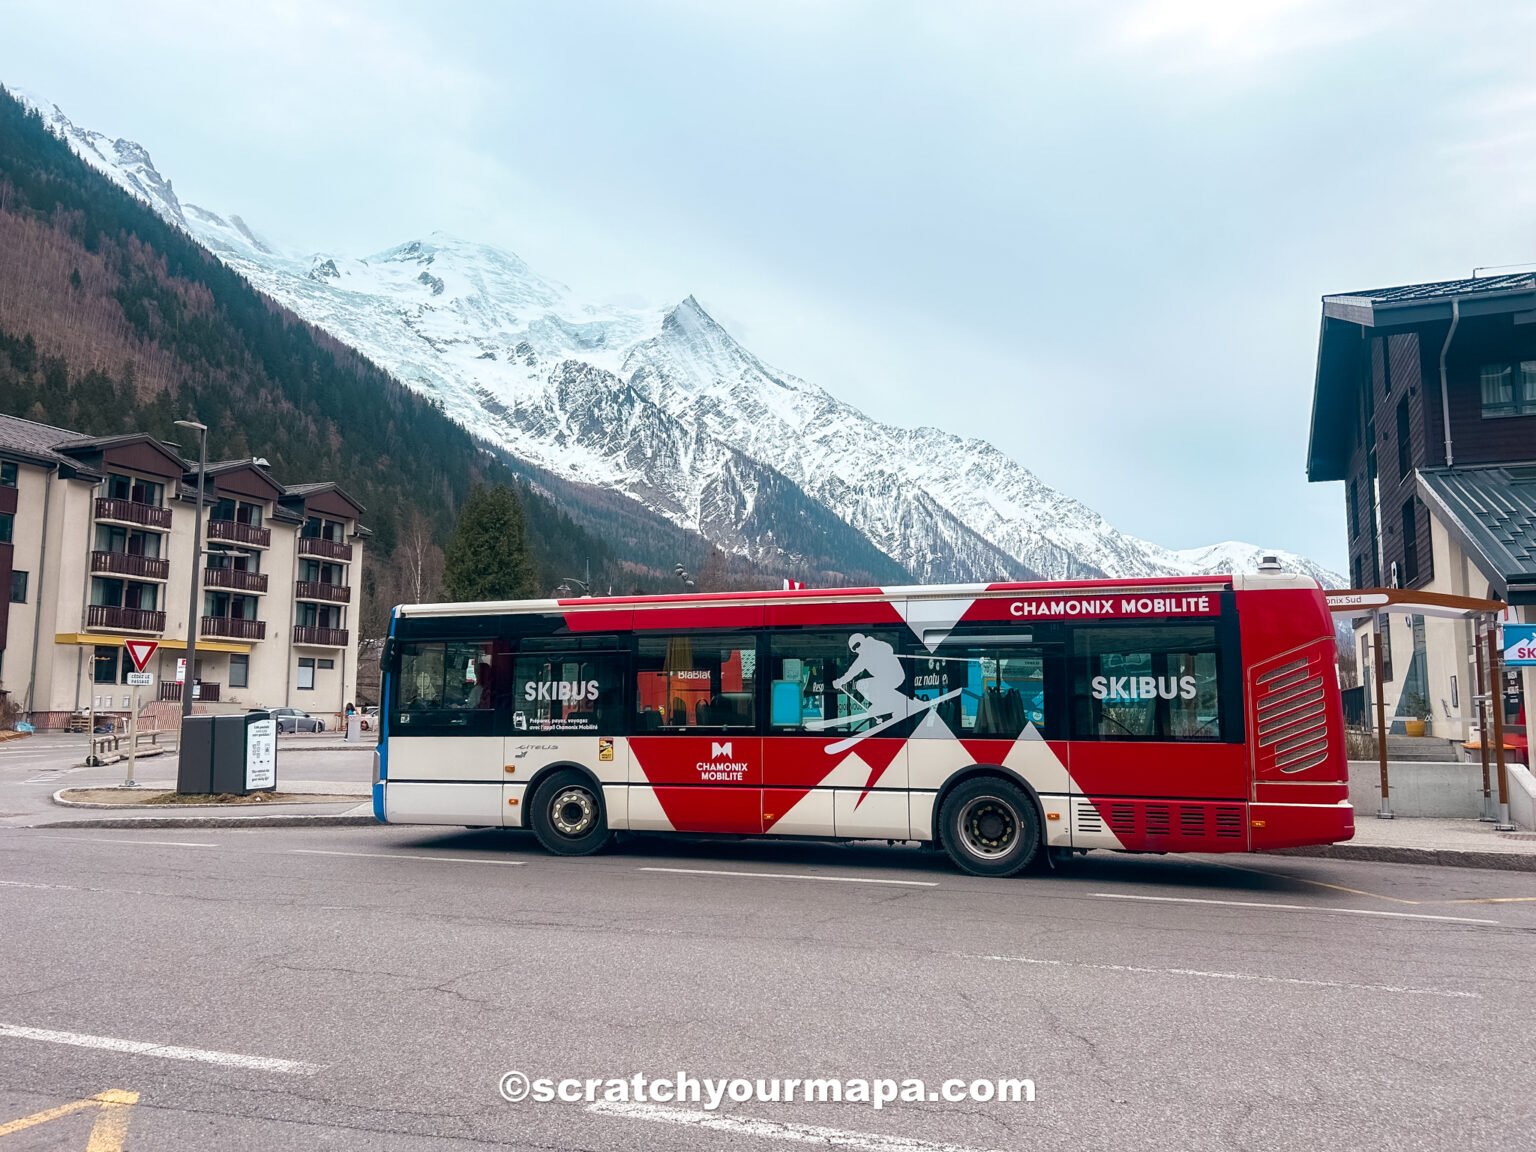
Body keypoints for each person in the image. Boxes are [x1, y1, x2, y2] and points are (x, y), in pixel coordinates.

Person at [833, 634, 911, 722]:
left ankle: (885, 706)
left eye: (857, 645)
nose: (857, 649)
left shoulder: (874, 646)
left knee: (864, 685)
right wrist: (841, 681)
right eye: (854, 649)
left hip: (893, 675)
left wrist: (877, 654)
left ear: (862, 640)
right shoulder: (863, 657)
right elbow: (852, 672)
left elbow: (888, 649)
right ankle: (895, 707)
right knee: (867, 686)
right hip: (888, 679)